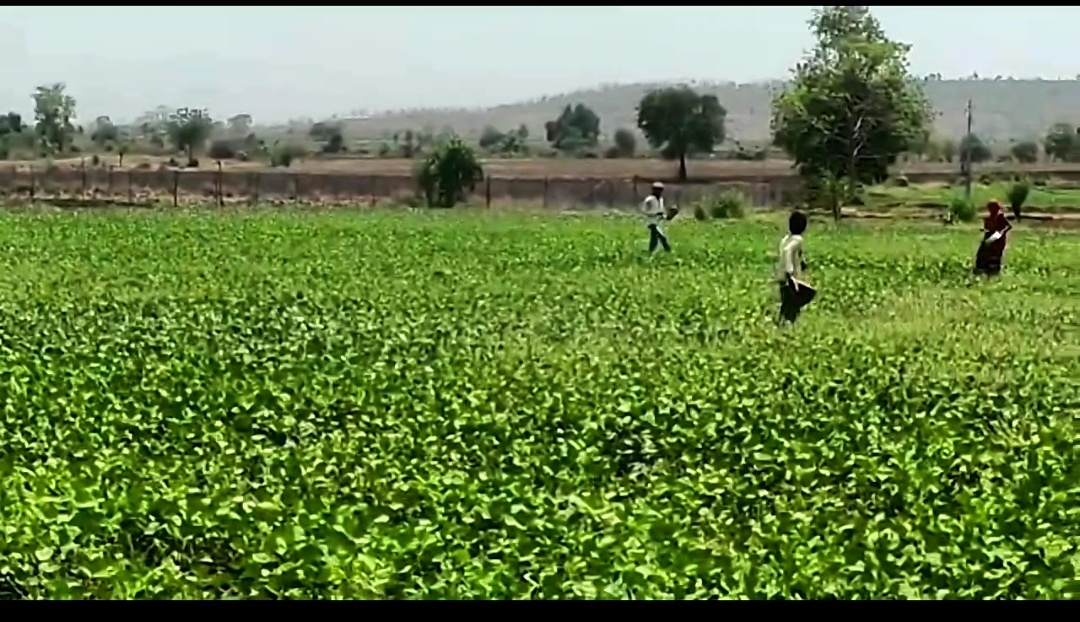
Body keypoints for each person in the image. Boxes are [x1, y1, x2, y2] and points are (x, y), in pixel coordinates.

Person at [776, 211, 816, 325]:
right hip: (790, 277)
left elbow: (787, 252)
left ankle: (782, 321)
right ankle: (786, 321)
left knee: (787, 301)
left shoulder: (785, 239)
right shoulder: (798, 239)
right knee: (804, 296)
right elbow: (787, 251)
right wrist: (790, 270)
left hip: (782, 276)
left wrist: (801, 262)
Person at [974, 199, 1013, 277]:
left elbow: (1008, 226)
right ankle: (983, 269)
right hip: (991, 236)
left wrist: (999, 233)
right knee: (983, 252)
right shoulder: (991, 216)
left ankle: (992, 272)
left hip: (998, 239)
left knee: (994, 255)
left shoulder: (1000, 216)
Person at [641, 181, 672, 253]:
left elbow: (661, 210)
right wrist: (654, 213)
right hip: (651, 222)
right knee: (662, 238)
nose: (659, 192)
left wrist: (665, 216)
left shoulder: (661, 199)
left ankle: (650, 252)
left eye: (660, 190)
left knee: (654, 239)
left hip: (658, 222)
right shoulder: (649, 200)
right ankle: (668, 251)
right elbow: (644, 210)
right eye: (657, 190)